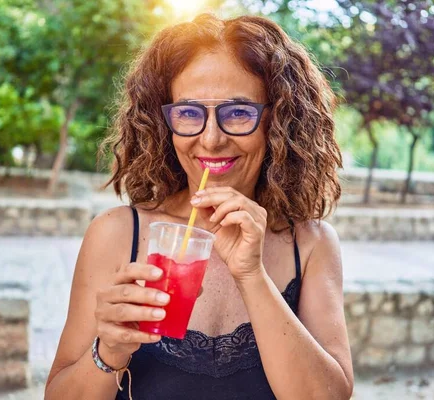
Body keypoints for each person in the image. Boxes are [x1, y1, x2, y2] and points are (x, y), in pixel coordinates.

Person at [45, 13, 353, 400]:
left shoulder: (311, 244)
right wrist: (109, 352)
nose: (210, 140)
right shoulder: (117, 233)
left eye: (238, 113)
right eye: (189, 113)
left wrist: (251, 275)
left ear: (275, 120)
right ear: (165, 120)